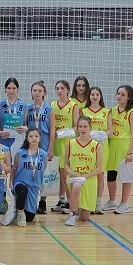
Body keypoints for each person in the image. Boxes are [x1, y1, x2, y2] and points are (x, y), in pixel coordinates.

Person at [105, 85, 133, 215]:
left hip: (125, 146)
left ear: (129, 97)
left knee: (126, 177)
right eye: (118, 93)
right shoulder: (112, 111)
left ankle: (124, 204)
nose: (119, 96)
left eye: (123, 94)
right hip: (112, 145)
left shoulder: (132, 113)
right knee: (111, 175)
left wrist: (130, 152)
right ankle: (112, 201)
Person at [64, 116, 103, 226]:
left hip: (89, 178)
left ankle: (78, 207)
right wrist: (70, 171)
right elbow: (65, 165)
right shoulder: (70, 143)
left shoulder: (97, 145)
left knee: (84, 218)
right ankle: (72, 214)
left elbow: (99, 169)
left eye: (85, 126)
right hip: (74, 176)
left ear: (90, 127)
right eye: (80, 126)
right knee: (76, 186)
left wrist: (85, 176)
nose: (82, 129)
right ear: (77, 128)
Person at [50, 80, 80, 213]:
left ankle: (70, 201)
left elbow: (77, 127)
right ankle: (62, 200)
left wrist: (62, 133)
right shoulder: (52, 105)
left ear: (68, 90)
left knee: (65, 172)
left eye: (62, 88)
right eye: (57, 88)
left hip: (67, 142)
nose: (59, 91)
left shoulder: (73, 106)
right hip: (55, 142)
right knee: (58, 172)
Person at [10, 127, 48, 227]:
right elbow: (14, 169)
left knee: (30, 218)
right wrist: (11, 182)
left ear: (40, 138)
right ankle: (20, 214)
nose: (34, 138)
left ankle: (20, 209)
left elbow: (43, 170)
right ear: (27, 138)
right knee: (22, 189)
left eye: (36, 136)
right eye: (31, 136)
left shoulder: (44, 155)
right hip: (20, 183)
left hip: (34, 186)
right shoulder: (20, 153)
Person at [82, 87, 112, 214]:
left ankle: (98, 203)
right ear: (89, 96)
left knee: (100, 175)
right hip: (87, 147)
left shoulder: (107, 112)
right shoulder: (84, 111)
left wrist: (101, 135)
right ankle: (86, 203)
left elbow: (111, 131)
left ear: (100, 96)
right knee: (87, 174)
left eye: (97, 94)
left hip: (101, 147)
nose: (94, 97)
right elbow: (80, 128)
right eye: (92, 94)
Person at [26, 81, 53, 214]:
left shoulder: (49, 109)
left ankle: (43, 201)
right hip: (31, 143)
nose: (37, 93)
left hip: (44, 142)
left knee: (43, 172)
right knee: (31, 170)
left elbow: (52, 130)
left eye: (39, 91)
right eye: (34, 90)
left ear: (44, 93)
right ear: (31, 92)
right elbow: (24, 125)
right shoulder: (28, 108)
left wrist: (51, 148)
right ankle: (29, 200)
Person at [0, 78, 28, 151]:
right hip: (3, 140)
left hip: (18, 141)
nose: (11, 90)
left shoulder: (24, 106)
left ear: (17, 89)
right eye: (9, 88)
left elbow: (26, 124)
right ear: (5, 89)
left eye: (14, 88)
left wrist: (26, 129)